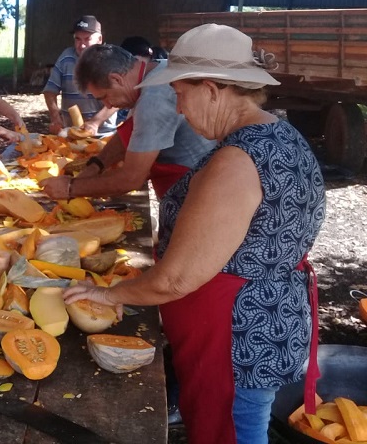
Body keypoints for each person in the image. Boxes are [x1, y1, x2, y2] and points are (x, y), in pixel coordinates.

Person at [64, 24, 326, 444]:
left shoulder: (237, 160)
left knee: (232, 432)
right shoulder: (282, 136)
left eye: (182, 94)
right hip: (268, 315)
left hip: (236, 334)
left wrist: (107, 295)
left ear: (212, 89)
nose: (180, 109)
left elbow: (177, 278)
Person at [41, 44, 215, 201]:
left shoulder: (152, 101)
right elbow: (131, 133)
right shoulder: (158, 68)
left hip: (196, 194)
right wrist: (97, 165)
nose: (108, 105)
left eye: (104, 97)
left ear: (117, 79)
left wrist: (70, 187)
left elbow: (131, 178)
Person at [42, 15, 117, 137]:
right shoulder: (66, 57)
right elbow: (50, 91)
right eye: (78, 39)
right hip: (71, 132)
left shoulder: (110, 60)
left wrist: (95, 122)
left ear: (99, 40)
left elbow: (118, 100)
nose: (81, 45)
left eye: (87, 39)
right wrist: (55, 117)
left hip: (103, 134)